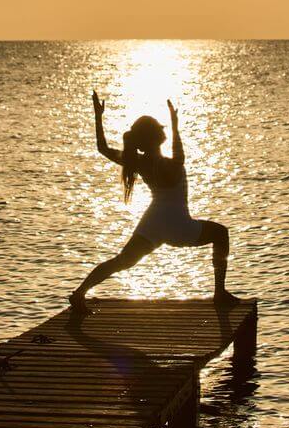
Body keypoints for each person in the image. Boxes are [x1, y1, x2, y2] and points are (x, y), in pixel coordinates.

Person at [69, 91, 238, 313]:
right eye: (159, 127)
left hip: (153, 222)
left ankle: (79, 293)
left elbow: (102, 148)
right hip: (178, 225)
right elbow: (180, 159)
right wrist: (176, 125)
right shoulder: (164, 164)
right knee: (220, 234)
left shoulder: (136, 161)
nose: (162, 129)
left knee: (122, 261)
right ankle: (219, 294)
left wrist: (98, 116)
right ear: (153, 137)